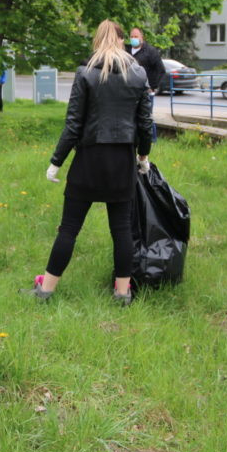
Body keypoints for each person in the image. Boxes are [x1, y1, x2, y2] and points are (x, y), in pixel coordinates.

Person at [28, 20, 152, 306]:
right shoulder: (138, 73)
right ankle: (123, 294)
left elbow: (73, 124)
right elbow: (145, 123)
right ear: (122, 41)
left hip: (89, 160)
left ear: (97, 41)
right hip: (122, 161)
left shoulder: (85, 73)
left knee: (69, 227)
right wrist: (143, 157)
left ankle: (45, 290)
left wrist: (56, 162)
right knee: (122, 229)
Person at [127, 27, 165, 142]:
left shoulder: (150, 51)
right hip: (129, 90)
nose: (133, 39)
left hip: (146, 91)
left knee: (146, 117)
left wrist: (152, 87)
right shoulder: (126, 51)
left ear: (142, 38)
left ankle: (151, 140)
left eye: (136, 37)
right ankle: (134, 138)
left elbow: (160, 70)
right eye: (132, 37)